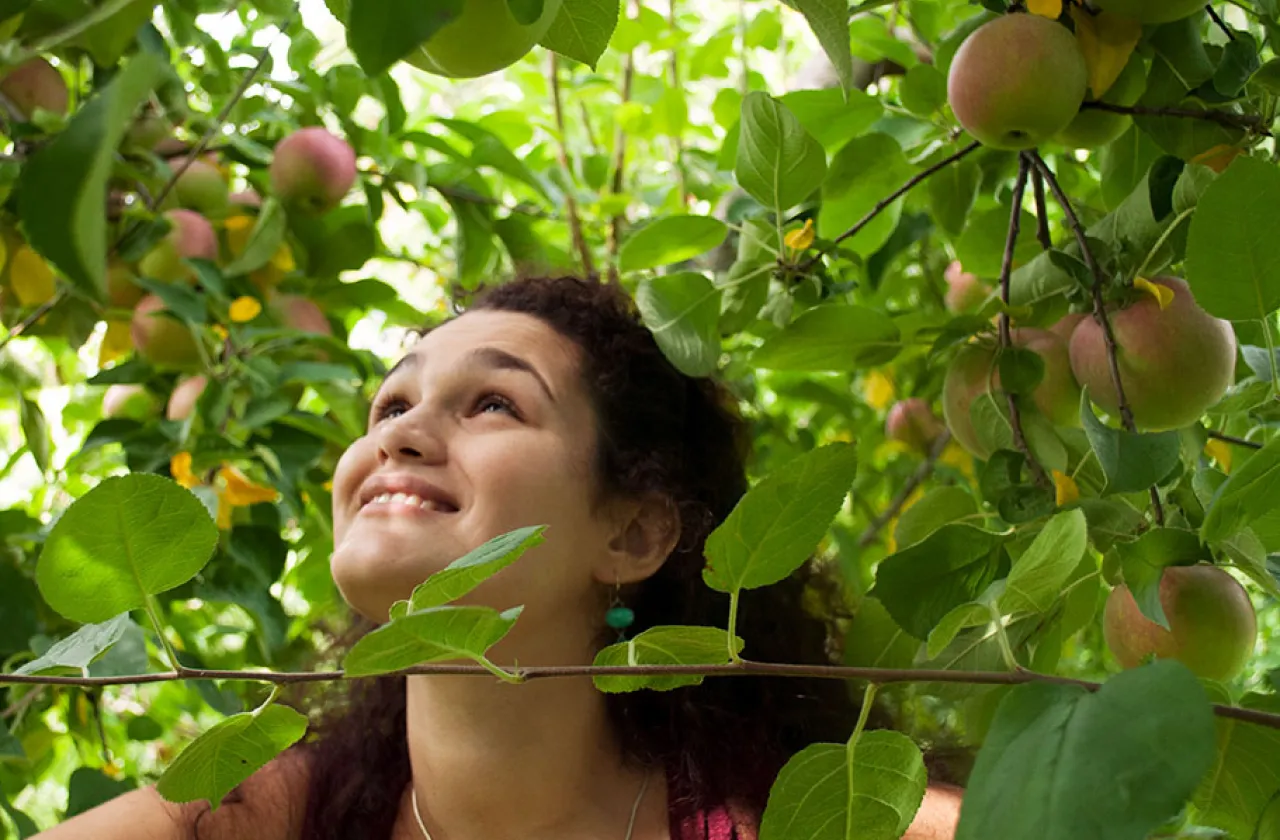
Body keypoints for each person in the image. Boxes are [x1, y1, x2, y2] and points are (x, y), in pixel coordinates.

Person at [35, 275, 965, 839]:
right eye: (390, 406)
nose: (398, 436)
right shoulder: (268, 818)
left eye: (493, 404)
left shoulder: (809, 822)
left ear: (632, 535)